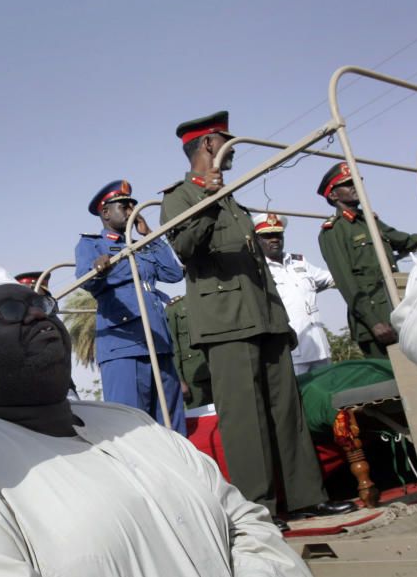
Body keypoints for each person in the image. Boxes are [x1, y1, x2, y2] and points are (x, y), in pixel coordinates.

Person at [0, 265, 312, 576]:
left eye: (40, 303)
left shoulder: (131, 423)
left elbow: (243, 522)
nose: (38, 314)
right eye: (9, 312)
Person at [159, 111, 353, 524]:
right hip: (225, 322)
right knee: (244, 419)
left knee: (288, 412)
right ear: (209, 144)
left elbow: (258, 266)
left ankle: (306, 497)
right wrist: (208, 202)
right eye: (226, 141)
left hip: (265, 320)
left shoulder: (234, 199)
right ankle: (259, 511)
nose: (233, 149)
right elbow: (186, 250)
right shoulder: (179, 197)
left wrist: (279, 320)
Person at [75, 179, 186, 433]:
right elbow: (86, 280)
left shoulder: (143, 246)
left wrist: (150, 236)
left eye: (133, 206)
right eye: (124, 206)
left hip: (158, 342)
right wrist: (101, 269)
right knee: (131, 429)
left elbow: (173, 274)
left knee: (172, 424)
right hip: (124, 345)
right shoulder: (92, 245)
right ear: (105, 213)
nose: (131, 211)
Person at [317, 162, 417, 358]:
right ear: (333, 195)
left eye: (356, 182)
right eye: (348, 184)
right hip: (374, 318)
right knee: (392, 381)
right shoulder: (333, 231)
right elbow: (346, 282)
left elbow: (403, 240)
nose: (354, 186)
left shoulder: (368, 221)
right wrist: (373, 321)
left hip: (396, 307)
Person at [253, 212, 335, 375]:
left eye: (278, 235)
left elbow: (332, 278)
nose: (275, 239)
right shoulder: (257, 270)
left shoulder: (299, 261)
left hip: (319, 347)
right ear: (258, 240)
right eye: (268, 236)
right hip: (291, 351)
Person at [165, 294, 213, 408]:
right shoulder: (174, 307)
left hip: (219, 370)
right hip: (194, 376)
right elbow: (172, 347)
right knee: (203, 420)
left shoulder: (210, 299)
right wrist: (179, 380)